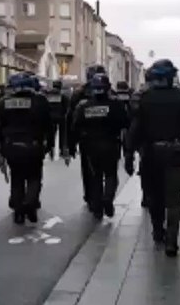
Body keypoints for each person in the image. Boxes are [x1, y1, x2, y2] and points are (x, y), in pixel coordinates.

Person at [126, 59, 180, 257]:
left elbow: (135, 128)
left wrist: (129, 153)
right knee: (174, 199)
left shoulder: (143, 99)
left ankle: (158, 230)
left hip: (151, 154)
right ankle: (172, 240)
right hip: (175, 153)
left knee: (154, 197)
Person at [69, 71, 129, 219]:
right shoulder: (116, 105)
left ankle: (97, 209)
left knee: (95, 177)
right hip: (111, 144)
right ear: (107, 87)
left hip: (90, 147)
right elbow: (125, 123)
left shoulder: (84, 106)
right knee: (110, 175)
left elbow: (75, 126)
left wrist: (72, 145)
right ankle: (108, 198)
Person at [0, 72, 52, 224]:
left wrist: (0, 148)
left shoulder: (3, 102)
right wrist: (49, 145)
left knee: (17, 177)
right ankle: (30, 203)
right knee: (34, 177)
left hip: (11, 146)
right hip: (33, 145)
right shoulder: (40, 101)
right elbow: (48, 125)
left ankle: (19, 210)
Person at [69, 65, 109, 203]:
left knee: (88, 169)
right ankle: (102, 196)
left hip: (86, 139)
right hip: (107, 139)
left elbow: (71, 119)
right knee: (108, 170)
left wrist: (71, 143)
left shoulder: (79, 93)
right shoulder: (109, 92)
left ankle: (91, 196)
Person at [44, 79, 69, 160]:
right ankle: (62, 150)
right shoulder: (63, 96)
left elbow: (45, 106)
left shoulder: (48, 95)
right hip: (61, 117)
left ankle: (51, 148)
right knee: (63, 134)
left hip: (50, 117)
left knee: (51, 134)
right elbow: (66, 107)